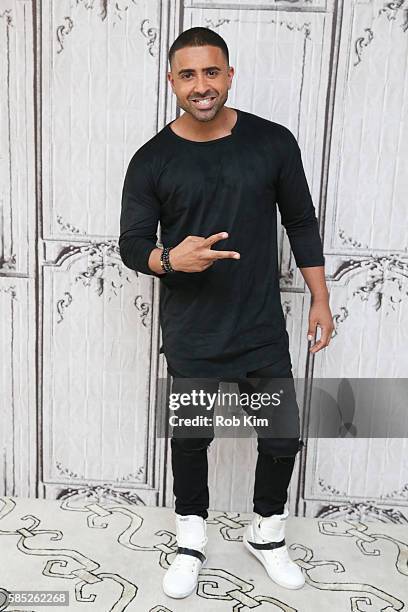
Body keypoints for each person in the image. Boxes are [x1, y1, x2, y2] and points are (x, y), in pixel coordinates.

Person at [119, 27, 334, 599]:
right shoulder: (152, 159)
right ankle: (191, 537)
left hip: (260, 326)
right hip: (192, 331)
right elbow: (130, 242)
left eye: (211, 72)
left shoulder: (272, 142)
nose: (201, 85)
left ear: (229, 75)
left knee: (282, 437)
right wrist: (170, 258)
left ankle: (267, 534)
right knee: (191, 438)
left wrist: (320, 297)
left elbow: (301, 222)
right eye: (187, 75)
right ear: (172, 82)